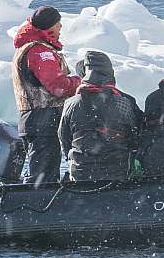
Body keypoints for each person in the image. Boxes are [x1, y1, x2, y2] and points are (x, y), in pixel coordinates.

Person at [12, 6, 81, 184]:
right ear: (49, 27)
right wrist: (79, 82)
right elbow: (58, 86)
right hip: (43, 119)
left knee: (44, 172)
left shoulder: (29, 48)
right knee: (43, 176)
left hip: (35, 119)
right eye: (58, 25)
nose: (60, 29)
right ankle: (37, 206)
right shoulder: (40, 52)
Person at [58, 50, 141, 182]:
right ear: (109, 73)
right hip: (116, 172)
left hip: (80, 172)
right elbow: (136, 135)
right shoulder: (123, 102)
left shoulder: (71, 103)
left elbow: (64, 138)